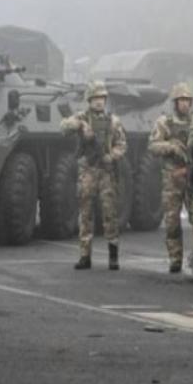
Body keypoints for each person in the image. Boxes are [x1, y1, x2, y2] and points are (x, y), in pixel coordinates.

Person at [149, 82, 193, 274]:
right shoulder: (165, 122)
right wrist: (171, 147)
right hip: (172, 177)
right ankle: (175, 259)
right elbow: (153, 146)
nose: (185, 104)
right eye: (181, 100)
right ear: (175, 102)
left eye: (188, 100)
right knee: (172, 222)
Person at [60, 81, 127, 270]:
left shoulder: (113, 121)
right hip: (88, 170)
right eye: (96, 98)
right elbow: (64, 127)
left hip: (106, 171)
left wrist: (111, 156)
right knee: (85, 213)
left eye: (102, 98)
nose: (99, 102)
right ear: (89, 100)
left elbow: (122, 145)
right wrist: (80, 125)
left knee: (110, 213)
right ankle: (84, 256)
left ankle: (113, 257)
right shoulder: (82, 117)